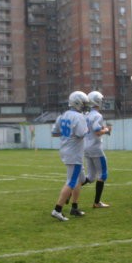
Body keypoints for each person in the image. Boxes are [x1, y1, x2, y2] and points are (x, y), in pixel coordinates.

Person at [50, 91, 89, 221]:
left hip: (66, 149)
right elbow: (81, 134)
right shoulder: (79, 117)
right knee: (71, 182)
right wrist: (86, 125)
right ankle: (57, 209)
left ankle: (74, 207)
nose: (85, 106)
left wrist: (67, 135)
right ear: (77, 103)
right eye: (83, 104)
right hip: (74, 153)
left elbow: (55, 133)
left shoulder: (63, 115)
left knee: (81, 179)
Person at [83, 91, 112, 208]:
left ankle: (70, 190)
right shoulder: (97, 115)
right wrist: (107, 130)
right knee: (103, 175)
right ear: (97, 101)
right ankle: (97, 202)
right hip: (95, 147)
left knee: (90, 177)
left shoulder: (86, 115)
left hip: (86, 147)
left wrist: (103, 128)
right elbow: (97, 131)